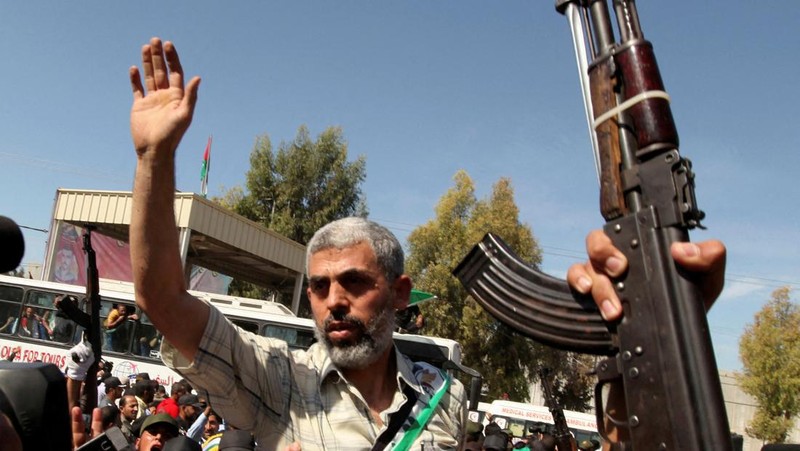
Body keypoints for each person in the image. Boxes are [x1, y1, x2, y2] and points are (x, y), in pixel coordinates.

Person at [127, 37, 727, 451]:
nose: (333, 301)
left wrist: (657, 332)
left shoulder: (445, 396)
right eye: (319, 287)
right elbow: (162, 297)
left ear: (400, 294)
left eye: (355, 282)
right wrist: (155, 159)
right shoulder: (279, 381)